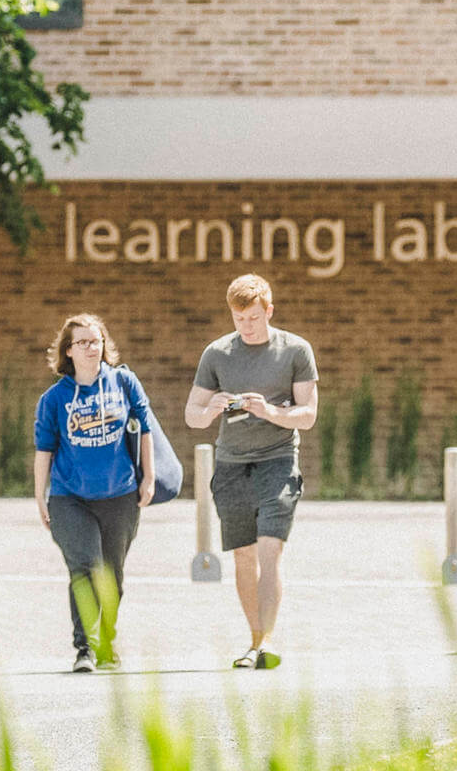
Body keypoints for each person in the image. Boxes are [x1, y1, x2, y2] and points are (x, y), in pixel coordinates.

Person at [185, 274, 318, 670]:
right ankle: (254, 640)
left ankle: (266, 643)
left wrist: (270, 411)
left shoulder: (295, 350)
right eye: (239, 319)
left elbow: (308, 416)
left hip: (277, 460)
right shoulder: (217, 354)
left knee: (269, 548)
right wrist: (214, 408)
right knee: (244, 556)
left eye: (254, 318)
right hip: (231, 465)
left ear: (269, 311)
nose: (247, 326)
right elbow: (192, 415)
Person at [33, 314, 154, 673]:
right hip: (71, 497)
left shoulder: (124, 382)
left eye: (96, 340)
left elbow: (145, 429)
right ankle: (84, 647)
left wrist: (149, 477)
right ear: (68, 351)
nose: (91, 348)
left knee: (112, 573)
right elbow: (44, 449)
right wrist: (40, 496)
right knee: (85, 565)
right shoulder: (54, 399)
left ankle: (107, 640)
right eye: (82, 342)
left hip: (120, 494)